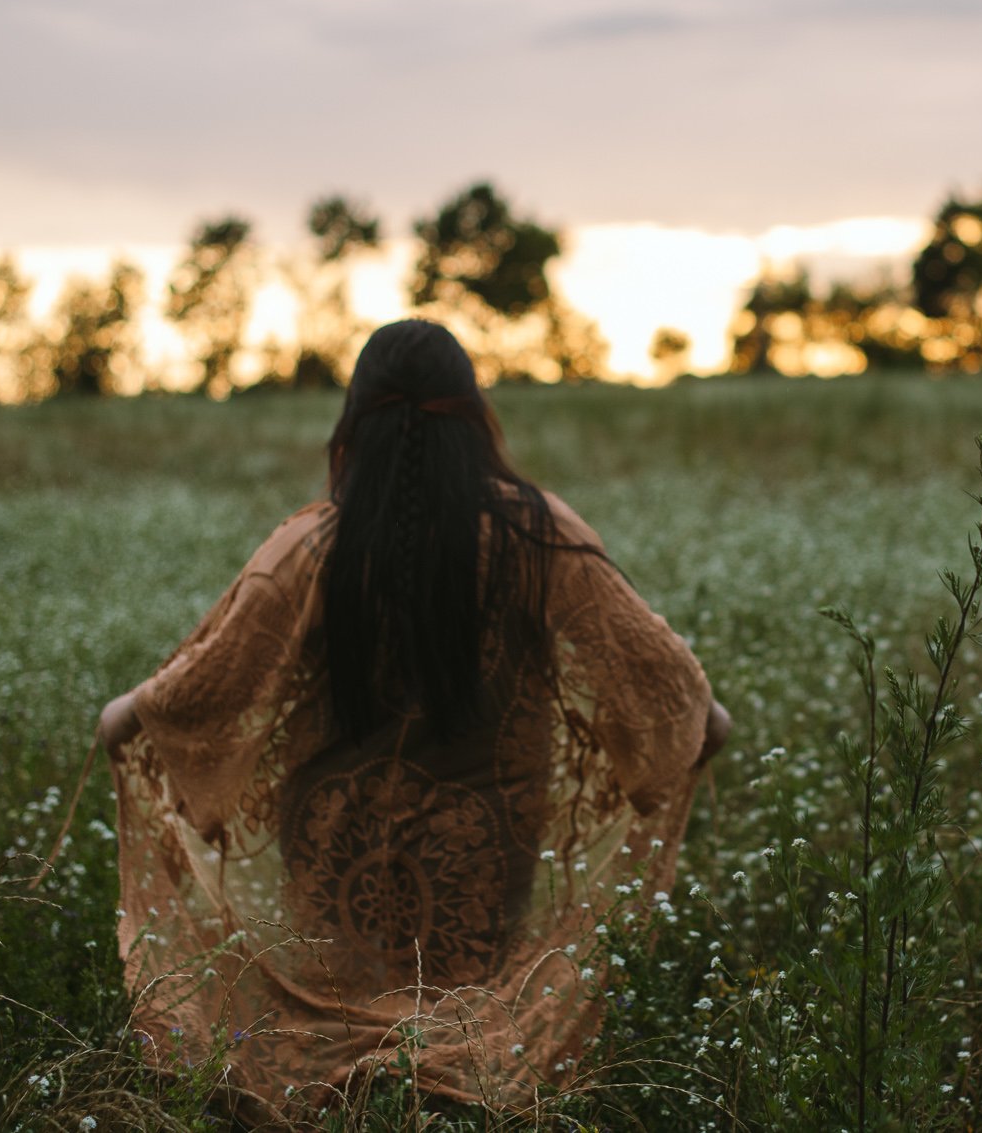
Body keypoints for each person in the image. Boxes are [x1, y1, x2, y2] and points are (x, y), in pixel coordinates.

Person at [97, 319, 729, 1120]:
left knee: (339, 1067)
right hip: (481, 851)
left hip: (332, 854)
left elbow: (191, 697)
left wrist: (124, 715)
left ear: (354, 423)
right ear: (474, 417)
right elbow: (693, 713)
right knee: (456, 1056)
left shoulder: (314, 544)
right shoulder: (541, 536)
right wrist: (689, 727)